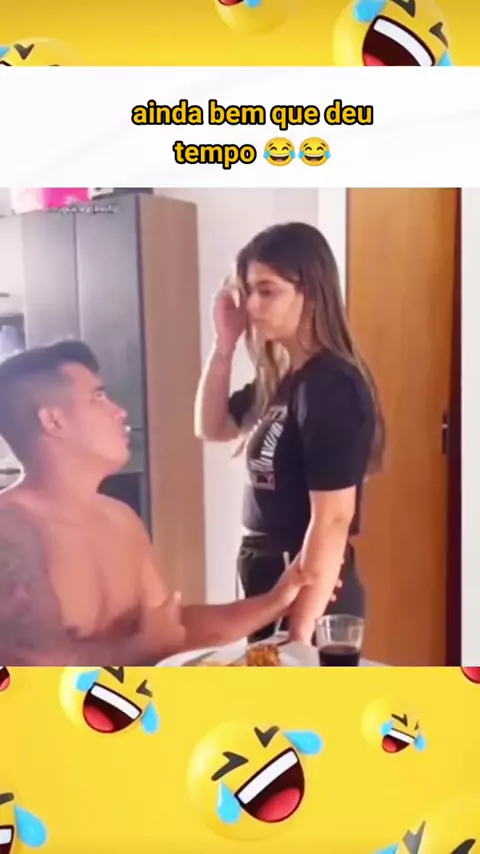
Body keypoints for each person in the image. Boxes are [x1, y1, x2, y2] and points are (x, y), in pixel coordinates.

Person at [0, 339, 342, 666]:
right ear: (54, 421)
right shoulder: (9, 532)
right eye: (98, 398)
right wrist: (142, 647)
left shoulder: (119, 518)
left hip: (133, 702)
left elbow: (172, 628)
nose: (119, 411)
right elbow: (31, 673)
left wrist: (276, 601)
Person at [195, 222, 385, 645]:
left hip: (304, 584)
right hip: (268, 574)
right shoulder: (284, 378)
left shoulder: (330, 384)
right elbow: (212, 426)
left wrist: (300, 634)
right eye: (249, 291)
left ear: (311, 294)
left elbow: (334, 518)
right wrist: (223, 346)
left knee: (296, 686)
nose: (252, 305)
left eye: (268, 291)